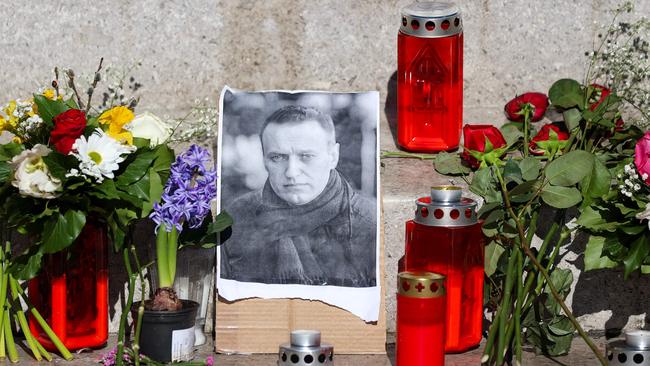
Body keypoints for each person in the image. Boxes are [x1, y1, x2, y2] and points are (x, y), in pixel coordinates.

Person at [220, 105, 377, 287]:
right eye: (278, 157)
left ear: (333, 156)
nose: (292, 172)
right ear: (264, 160)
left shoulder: (370, 226)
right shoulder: (236, 219)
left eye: (306, 156)